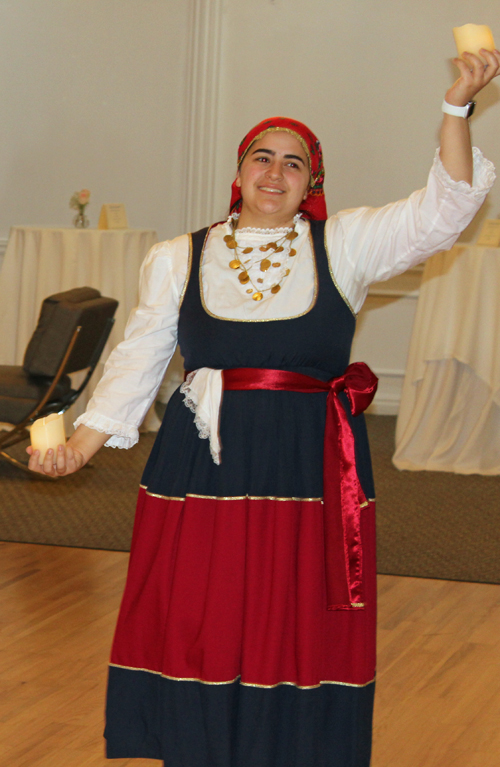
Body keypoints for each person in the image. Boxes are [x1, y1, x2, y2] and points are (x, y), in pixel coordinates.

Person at [28, 51, 499, 766]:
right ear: (239, 171)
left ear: (312, 182)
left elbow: (447, 209)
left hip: (307, 462)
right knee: (200, 614)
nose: (274, 173)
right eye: (261, 157)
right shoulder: (178, 256)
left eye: (293, 163)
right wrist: (79, 446)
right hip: (201, 462)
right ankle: (199, 744)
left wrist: (458, 106)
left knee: (295, 618)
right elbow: (136, 361)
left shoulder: (343, 244)